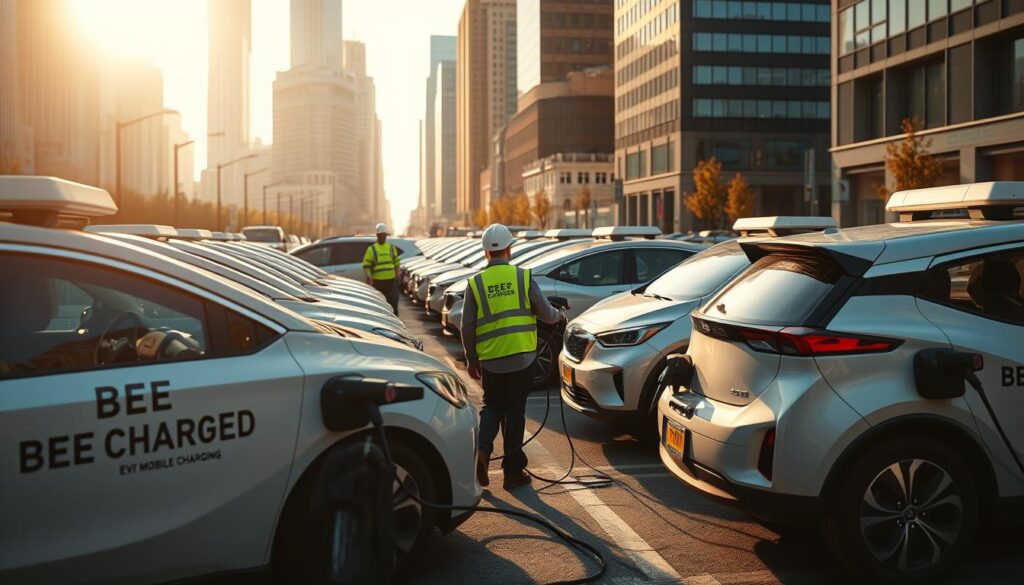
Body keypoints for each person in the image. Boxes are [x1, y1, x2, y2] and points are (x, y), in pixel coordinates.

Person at [461, 223, 565, 490]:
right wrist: (559, 315)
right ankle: (513, 472)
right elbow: (545, 313)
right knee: (515, 412)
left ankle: (483, 452)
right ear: (509, 250)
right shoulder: (522, 277)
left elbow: (467, 326)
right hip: (522, 359)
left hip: (491, 361)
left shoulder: (476, 283)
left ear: (486, 252)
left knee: (492, 406)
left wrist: (472, 359)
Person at [362, 223, 400, 315]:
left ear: (386, 236)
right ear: (377, 235)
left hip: (391, 282)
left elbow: (397, 263)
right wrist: (369, 278)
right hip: (377, 283)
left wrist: (397, 276)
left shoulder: (391, 248)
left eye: (384, 235)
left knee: (393, 306)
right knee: (379, 307)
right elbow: (366, 266)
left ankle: (394, 322)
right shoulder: (372, 249)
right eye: (380, 235)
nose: (382, 237)